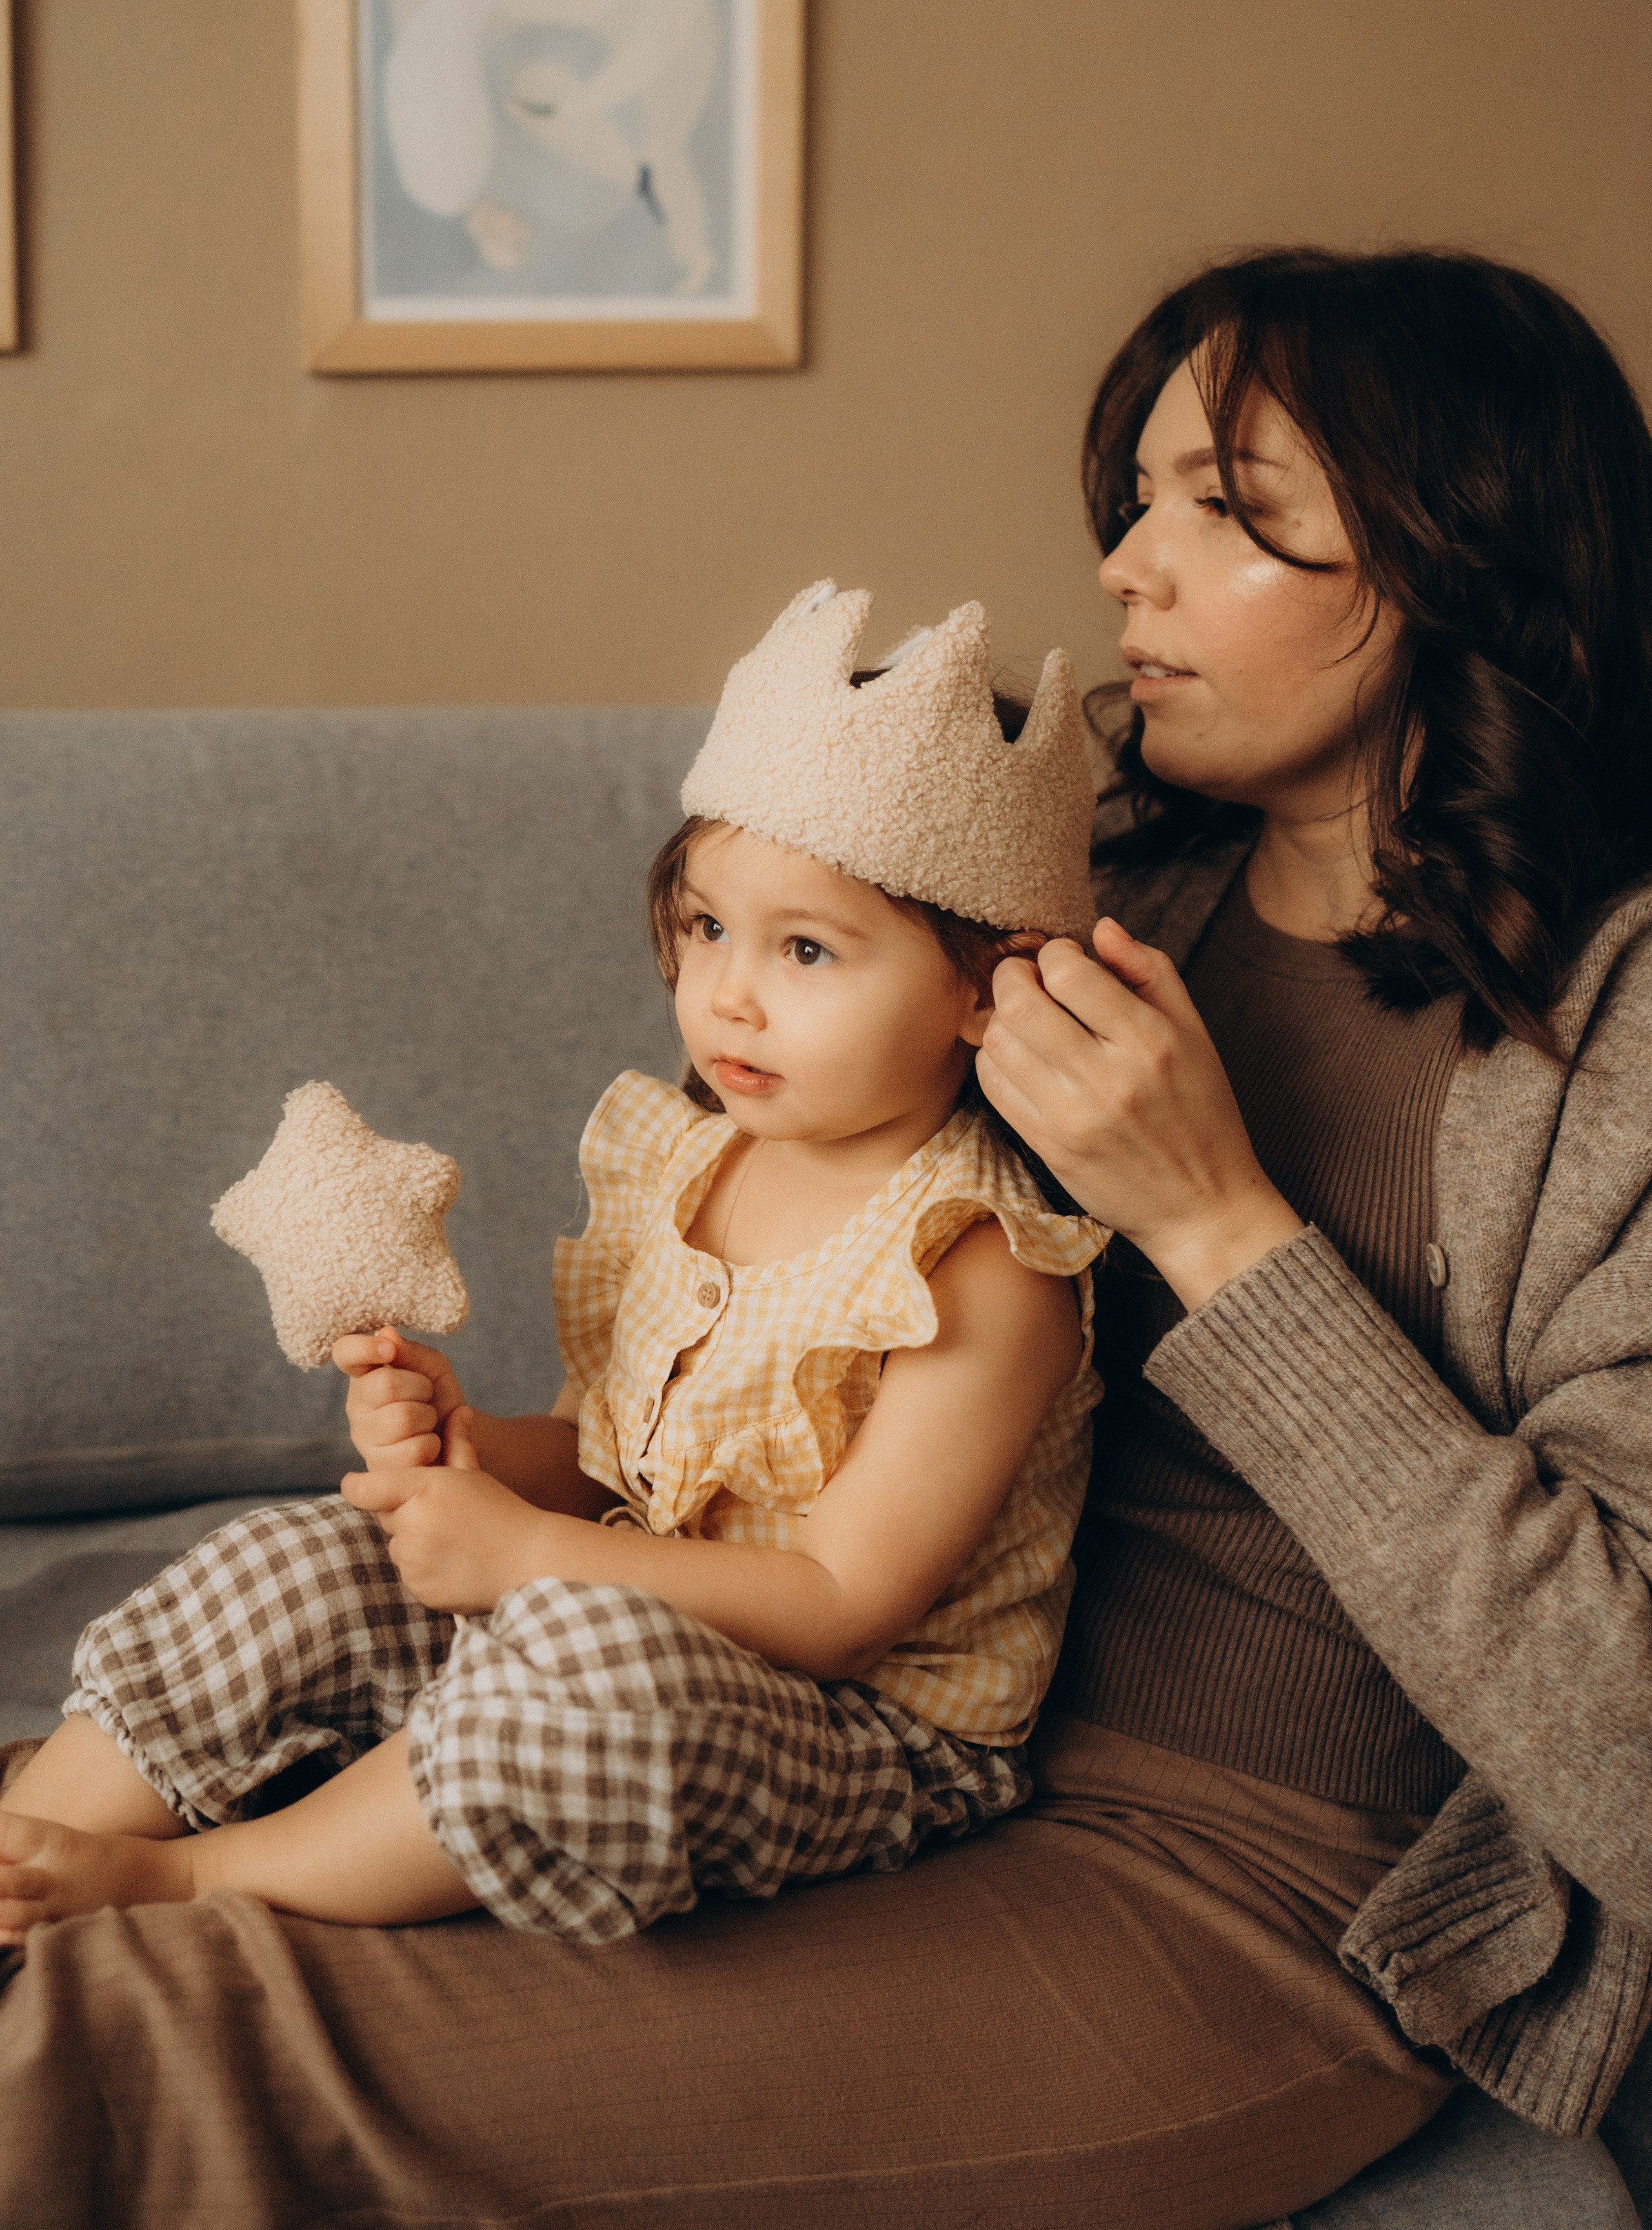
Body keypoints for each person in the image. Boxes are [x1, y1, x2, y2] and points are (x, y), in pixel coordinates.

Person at [0, 245, 1643, 2230]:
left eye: (1233, 509)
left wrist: (1218, 1228)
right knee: (129, 1797)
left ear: (1464, 560)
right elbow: (740, 1341)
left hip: (1241, 1888)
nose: (1128, 564)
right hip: (792, 1717)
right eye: (1139, 495)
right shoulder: (1069, 894)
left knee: (158, 2021)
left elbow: (1624, 1745)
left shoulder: (1605, 1033)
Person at [0, 590, 1111, 1941]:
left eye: (806, 950)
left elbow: (838, 1607)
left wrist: (527, 1557)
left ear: (983, 991)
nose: (727, 997)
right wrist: (469, 1454)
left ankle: (199, 1878)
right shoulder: (695, 1163)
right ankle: (32, 1843)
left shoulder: (985, 1268)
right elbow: (608, 1464)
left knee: (585, 1673)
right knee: (307, 1559)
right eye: (706, 928)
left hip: (855, 1726)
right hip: (616, 1595)